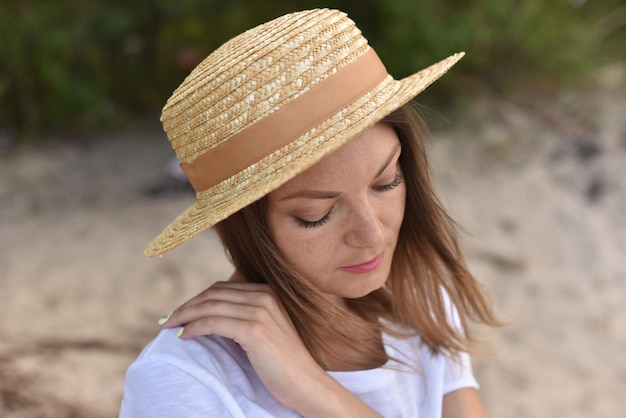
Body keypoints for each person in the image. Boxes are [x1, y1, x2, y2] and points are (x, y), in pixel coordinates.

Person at [119, 8, 501, 418]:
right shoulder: (184, 383)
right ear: (243, 225)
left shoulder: (419, 294)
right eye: (316, 215)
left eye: (386, 182)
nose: (372, 235)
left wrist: (318, 394)